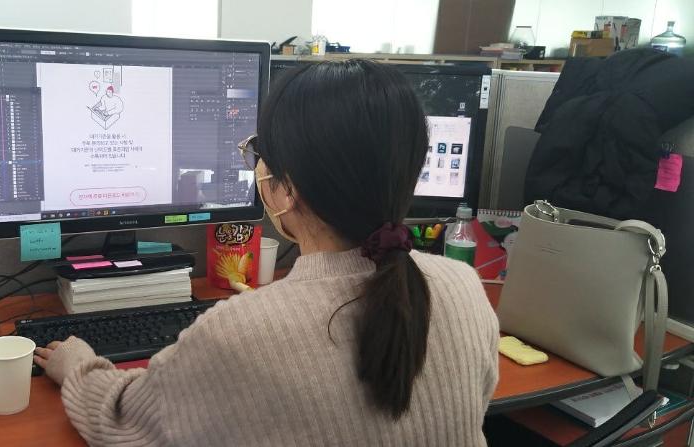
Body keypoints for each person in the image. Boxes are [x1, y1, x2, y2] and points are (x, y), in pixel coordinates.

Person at [35, 59, 499, 446]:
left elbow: (123, 420)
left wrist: (76, 366)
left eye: (258, 152)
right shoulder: (463, 287)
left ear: (287, 187)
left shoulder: (243, 332)